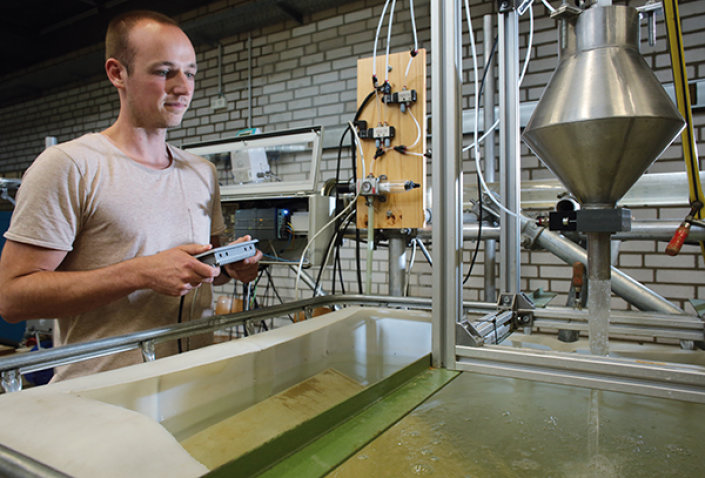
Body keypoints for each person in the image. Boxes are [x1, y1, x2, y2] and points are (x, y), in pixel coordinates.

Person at [0, 10, 262, 381]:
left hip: (192, 384)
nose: (183, 87)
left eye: (190, 73)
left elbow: (203, 274)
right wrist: (140, 272)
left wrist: (231, 269)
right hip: (103, 397)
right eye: (163, 71)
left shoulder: (202, 172)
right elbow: (12, 298)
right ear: (117, 73)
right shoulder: (71, 165)